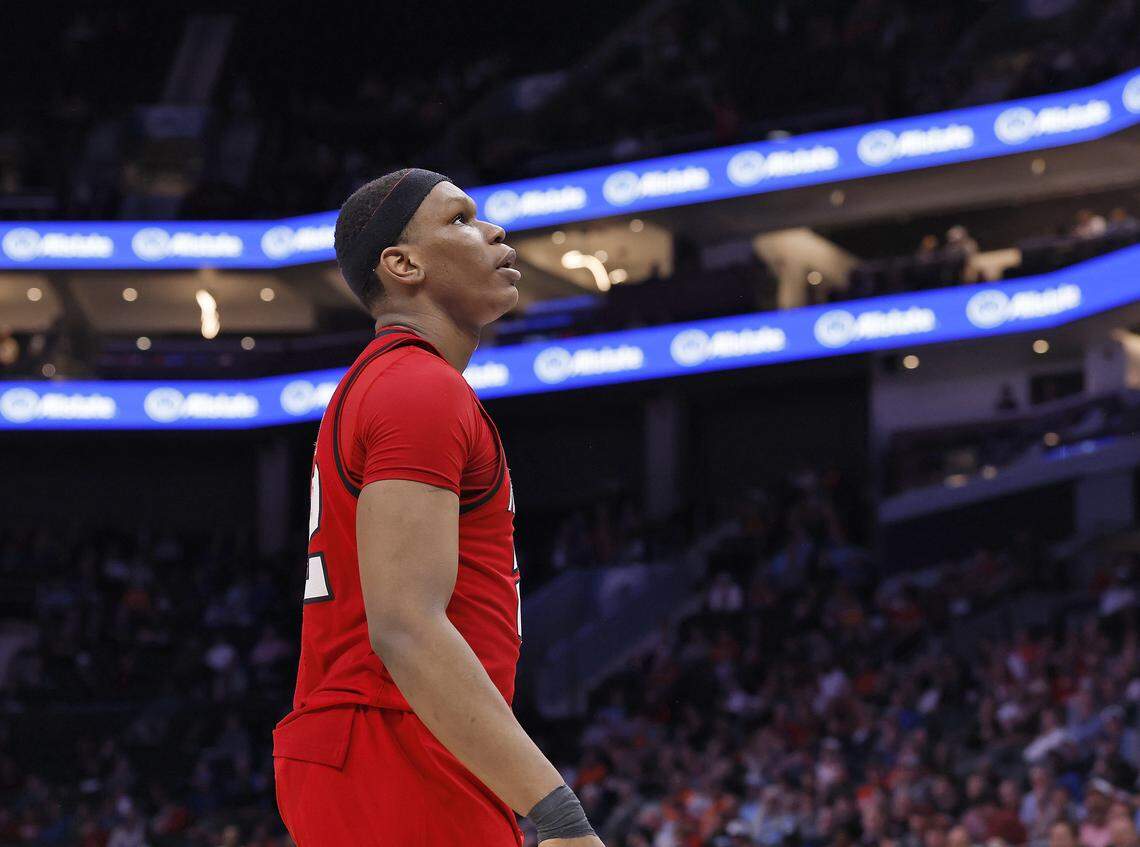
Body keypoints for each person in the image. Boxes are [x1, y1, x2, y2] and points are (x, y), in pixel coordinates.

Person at [272, 168, 604, 847]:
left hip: (398, 743)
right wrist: (561, 815)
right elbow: (406, 627)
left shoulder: (391, 381)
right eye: (458, 219)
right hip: (392, 741)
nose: (493, 231)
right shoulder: (417, 388)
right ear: (402, 264)